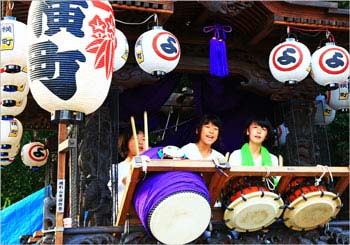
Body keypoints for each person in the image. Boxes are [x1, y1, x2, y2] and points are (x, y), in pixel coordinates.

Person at [109, 127, 145, 211]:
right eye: (135, 138)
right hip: (126, 216)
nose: (140, 142)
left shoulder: (149, 164)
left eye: (143, 139)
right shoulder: (116, 168)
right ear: (126, 142)